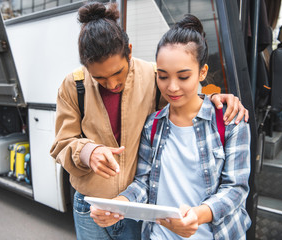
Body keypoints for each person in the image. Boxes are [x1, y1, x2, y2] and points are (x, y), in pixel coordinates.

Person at [50, 2, 249, 240]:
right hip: (95, 207)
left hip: (138, 212)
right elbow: (61, 144)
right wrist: (88, 152)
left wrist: (216, 97)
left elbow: (187, 92)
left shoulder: (156, 75)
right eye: (100, 78)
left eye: (118, 73)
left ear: (130, 52)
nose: (112, 84)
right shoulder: (75, 86)